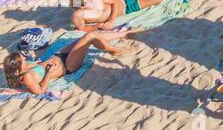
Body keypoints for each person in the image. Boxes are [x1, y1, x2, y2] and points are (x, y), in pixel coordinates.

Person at [3, 30, 131, 95]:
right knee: (90, 36)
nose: (24, 58)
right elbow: (40, 91)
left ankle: (122, 34)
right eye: (22, 59)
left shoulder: (24, 68)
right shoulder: (26, 77)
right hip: (67, 66)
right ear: (18, 65)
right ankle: (115, 50)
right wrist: (47, 73)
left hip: (59, 56)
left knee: (89, 36)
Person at [72, 0, 175, 31]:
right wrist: (97, 26)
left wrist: (111, 21)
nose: (91, 0)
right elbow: (82, 28)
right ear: (82, 8)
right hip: (127, 8)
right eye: (88, 2)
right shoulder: (79, 15)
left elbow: (114, 3)